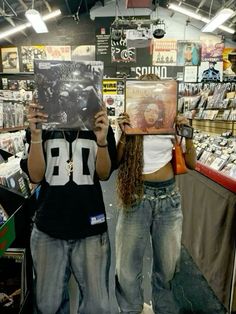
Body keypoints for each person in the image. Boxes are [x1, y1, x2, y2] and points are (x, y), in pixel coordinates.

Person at [20, 99, 117, 314]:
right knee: (48, 306)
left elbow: (104, 173)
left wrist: (101, 140)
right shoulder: (44, 122)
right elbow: (35, 175)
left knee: (97, 306)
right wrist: (36, 137)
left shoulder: (97, 121)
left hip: (91, 226)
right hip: (49, 226)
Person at [115, 73, 196, 314]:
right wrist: (123, 134)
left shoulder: (171, 123)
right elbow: (117, 162)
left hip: (168, 199)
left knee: (168, 267)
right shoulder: (130, 121)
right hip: (136, 197)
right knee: (127, 268)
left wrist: (188, 133)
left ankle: (165, 310)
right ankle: (131, 309)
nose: (151, 111)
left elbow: (190, 163)